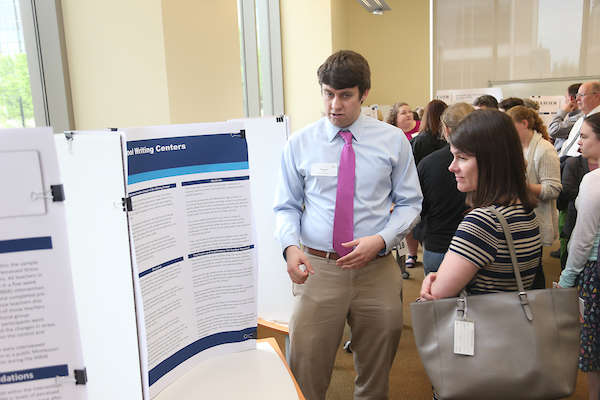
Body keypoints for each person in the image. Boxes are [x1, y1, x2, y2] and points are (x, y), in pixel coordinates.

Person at [273, 50, 423, 400]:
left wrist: (383, 240)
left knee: (375, 374)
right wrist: (289, 245)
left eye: (345, 95)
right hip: (318, 269)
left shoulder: (392, 140)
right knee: (305, 370)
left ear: (364, 94)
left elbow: (410, 203)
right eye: (328, 94)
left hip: (377, 268)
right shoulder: (300, 143)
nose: (334, 105)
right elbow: (286, 206)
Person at [420, 109, 540, 300]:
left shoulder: (484, 222)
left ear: (491, 161)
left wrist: (430, 282)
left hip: (480, 325)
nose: (452, 166)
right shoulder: (521, 207)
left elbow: (436, 294)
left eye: (462, 157)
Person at [556, 112, 600, 400]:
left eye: (584, 136)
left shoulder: (594, 182)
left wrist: (568, 277)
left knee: (594, 351)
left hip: (595, 274)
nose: (578, 142)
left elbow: (583, 239)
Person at [506, 106, 561, 288]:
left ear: (524, 123)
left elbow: (553, 189)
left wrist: (521, 186)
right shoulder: (517, 147)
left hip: (536, 219)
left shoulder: (545, 150)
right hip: (522, 217)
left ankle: (538, 307)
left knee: (534, 269)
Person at [417, 102, 473, 275]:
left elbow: (419, 208)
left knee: (437, 301)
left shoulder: (428, 163)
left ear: (446, 130)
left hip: (438, 246)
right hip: (476, 247)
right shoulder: (490, 161)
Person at [405, 99, 448, 267]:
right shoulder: (451, 142)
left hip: (423, 193)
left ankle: (413, 255)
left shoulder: (417, 142)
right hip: (448, 193)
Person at [559, 81, 600, 159]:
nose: (577, 99)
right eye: (577, 95)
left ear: (596, 96)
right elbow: (567, 145)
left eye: (582, 95)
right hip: (567, 165)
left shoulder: (597, 121)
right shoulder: (580, 120)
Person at [549, 83, 582, 152]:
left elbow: (553, 130)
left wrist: (562, 112)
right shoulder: (574, 117)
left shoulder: (578, 118)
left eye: (565, 97)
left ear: (571, 99)